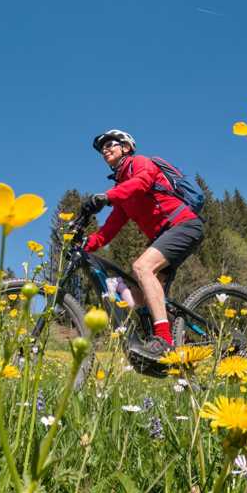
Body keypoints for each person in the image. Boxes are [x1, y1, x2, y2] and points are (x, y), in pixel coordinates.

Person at [83, 129, 204, 359]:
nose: (105, 150)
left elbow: (142, 182)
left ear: (125, 148)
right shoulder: (123, 191)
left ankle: (164, 340)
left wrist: (107, 196)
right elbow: (110, 228)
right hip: (164, 235)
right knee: (139, 296)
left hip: (184, 225)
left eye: (110, 144)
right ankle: (178, 350)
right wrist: (86, 243)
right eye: (102, 149)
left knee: (142, 267)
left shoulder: (139, 163)